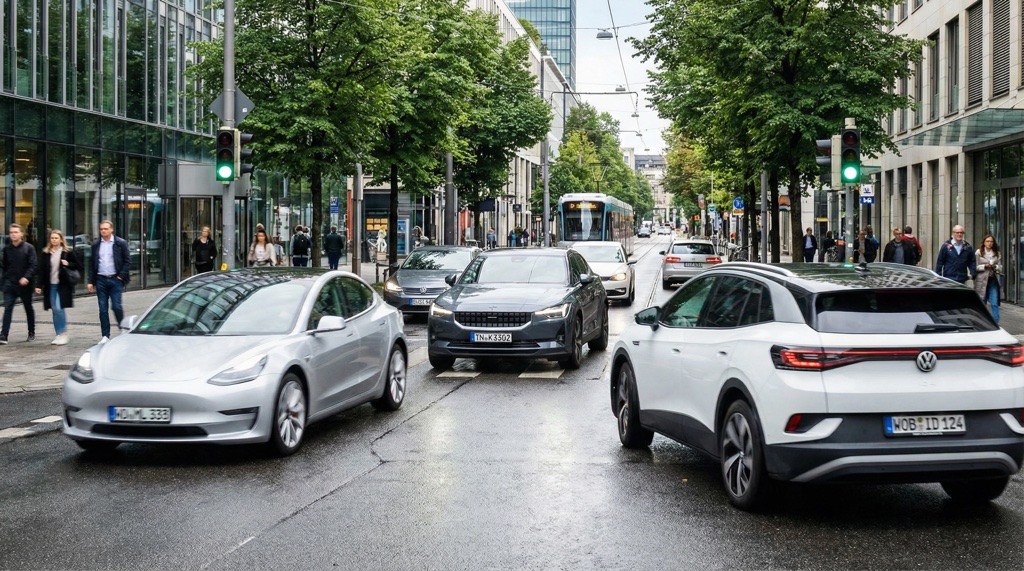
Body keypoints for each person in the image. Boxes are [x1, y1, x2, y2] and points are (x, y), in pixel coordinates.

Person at [34, 229, 82, 345]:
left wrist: (68, 264)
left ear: (61, 239)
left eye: (56, 238)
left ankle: (63, 334)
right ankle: (58, 334)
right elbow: (42, 271)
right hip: (51, 285)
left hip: (63, 285)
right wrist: (38, 285)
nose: (54, 240)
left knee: (59, 308)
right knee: (55, 310)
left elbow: (79, 265)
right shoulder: (46, 253)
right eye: (52, 238)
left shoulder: (67, 252)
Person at [87, 220, 131, 344]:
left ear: (111, 229)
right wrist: (91, 281)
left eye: (106, 229)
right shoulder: (96, 245)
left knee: (116, 306)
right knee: (102, 309)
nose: (103, 231)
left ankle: (123, 328)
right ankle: (105, 335)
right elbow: (92, 263)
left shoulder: (120, 243)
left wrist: (121, 276)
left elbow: (127, 261)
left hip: (115, 279)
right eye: (101, 229)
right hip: (101, 279)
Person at [1, 223, 38, 344]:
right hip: (10, 283)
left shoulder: (29, 248)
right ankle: (4, 335)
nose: (13, 234)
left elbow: (33, 265)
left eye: (16, 232)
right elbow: (5, 265)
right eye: (11, 232)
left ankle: (31, 331)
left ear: (21, 234)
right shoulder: (6, 249)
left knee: (28, 308)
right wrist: (6, 279)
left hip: (25, 285)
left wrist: (26, 277)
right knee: (8, 308)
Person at [974, 234, 1001, 324]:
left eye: (991, 241)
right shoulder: (979, 252)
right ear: (984, 242)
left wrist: (995, 266)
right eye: (987, 241)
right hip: (982, 280)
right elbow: (974, 267)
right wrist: (984, 266)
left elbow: (1000, 266)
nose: (989, 243)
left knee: (994, 302)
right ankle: (981, 322)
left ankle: (996, 323)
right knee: (982, 302)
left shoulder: (996, 253)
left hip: (993, 280)